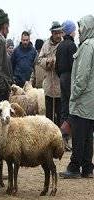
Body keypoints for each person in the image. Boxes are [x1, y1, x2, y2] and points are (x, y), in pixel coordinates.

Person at [60, 15, 94, 179]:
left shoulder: (87, 46)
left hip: (82, 99)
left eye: (81, 27)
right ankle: (87, 167)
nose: (79, 31)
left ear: (87, 27)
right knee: (87, 136)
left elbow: (82, 75)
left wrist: (74, 95)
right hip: (90, 100)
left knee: (79, 135)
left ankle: (74, 167)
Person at [37, 21, 63, 126]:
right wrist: (47, 62)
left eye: (59, 33)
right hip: (48, 85)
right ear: (52, 33)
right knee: (49, 115)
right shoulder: (46, 44)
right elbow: (39, 60)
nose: (58, 35)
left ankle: (59, 136)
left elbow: (65, 61)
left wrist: (55, 62)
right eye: (56, 33)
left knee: (60, 114)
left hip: (60, 86)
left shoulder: (63, 44)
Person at [55, 20, 77, 142]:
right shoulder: (72, 46)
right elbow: (74, 65)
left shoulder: (60, 46)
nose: (75, 33)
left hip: (62, 77)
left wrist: (62, 76)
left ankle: (63, 137)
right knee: (71, 106)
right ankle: (70, 135)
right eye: (74, 30)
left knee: (64, 106)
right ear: (70, 31)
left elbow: (56, 66)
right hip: (70, 77)